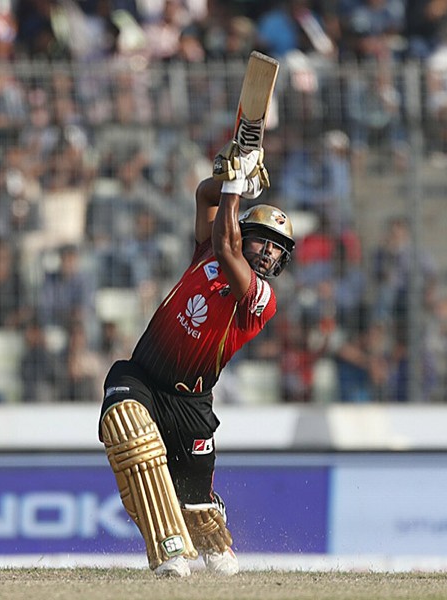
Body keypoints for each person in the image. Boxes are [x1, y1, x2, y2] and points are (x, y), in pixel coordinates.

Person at [98, 139, 295, 578]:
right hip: (144, 376)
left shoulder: (260, 299)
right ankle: (168, 553)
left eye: (277, 249)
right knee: (127, 428)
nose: (268, 253)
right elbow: (205, 197)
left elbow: (229, 248)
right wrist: (226, 179)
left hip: (191, 404)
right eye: (263, 242)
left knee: (206, 529)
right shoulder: (208, 248)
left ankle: (206, 525)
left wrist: (237, 190)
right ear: (247, 234)